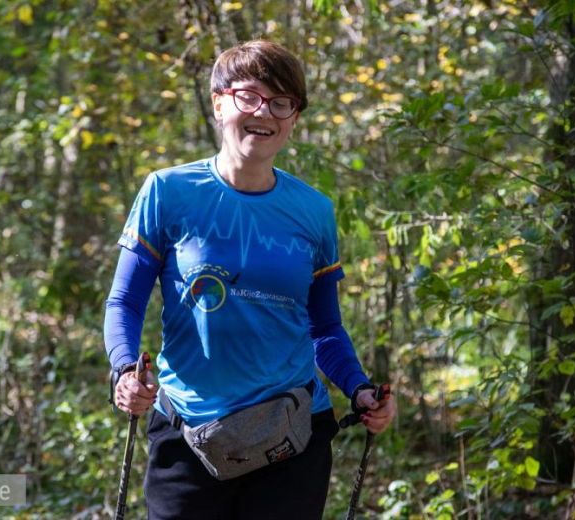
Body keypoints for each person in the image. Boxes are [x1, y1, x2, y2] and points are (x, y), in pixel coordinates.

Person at [104, 40, 396, 520]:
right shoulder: (167, 191)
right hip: (187, 432)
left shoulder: (314, 211)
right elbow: (125, 302)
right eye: (249, 96)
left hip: (291, 433)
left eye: (281, 102)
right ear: (219, 104)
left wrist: (358, 388)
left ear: (294, 118)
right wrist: (123, 371)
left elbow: (324, 328)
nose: (264, 112)